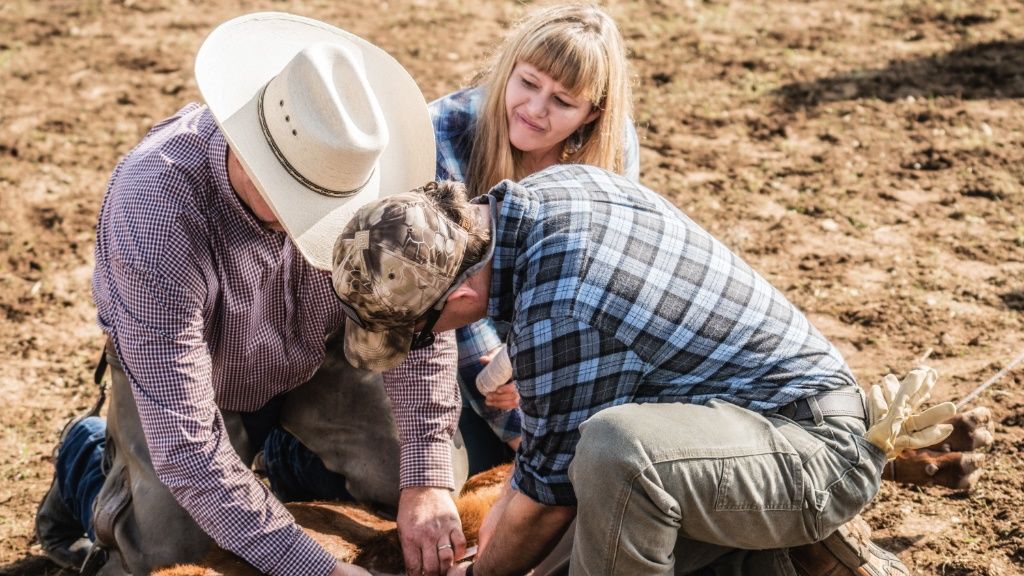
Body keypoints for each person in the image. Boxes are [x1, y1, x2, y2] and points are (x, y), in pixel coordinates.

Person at [328, 168, 955, 575]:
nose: (422, 345)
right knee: (586, 515)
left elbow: (545, 500)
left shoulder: (561, 304)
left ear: (459, 298)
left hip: (808, 453)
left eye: (416, 332)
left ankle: (792, 538)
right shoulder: (556, 192)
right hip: (751, 428)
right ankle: (781, 559)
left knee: (614, 456)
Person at [35, 13, 469, 576]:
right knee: (167, 554)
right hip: (193, 384)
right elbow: (186, 444)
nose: (313, 223)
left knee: (422, 478)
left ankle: (285, 461)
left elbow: (416, 316)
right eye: (302, 204)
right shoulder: (156, 209)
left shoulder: (358, 158)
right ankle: (86, 461)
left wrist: (427, 481)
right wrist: (315, 568)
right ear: (248, 153)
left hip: (319, 348)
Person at [429, 3, 639, 473]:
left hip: (538, 349)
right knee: (466, 466)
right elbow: (443, 300)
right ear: (509, 68)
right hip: (452, 345)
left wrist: (536, 371)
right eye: (527, 83)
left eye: (563, 102)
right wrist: (519, 426)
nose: (535, 110)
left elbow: (604, 276)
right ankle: (298, 456)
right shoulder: (441, 136)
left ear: (593, 113)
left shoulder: (613, 147)